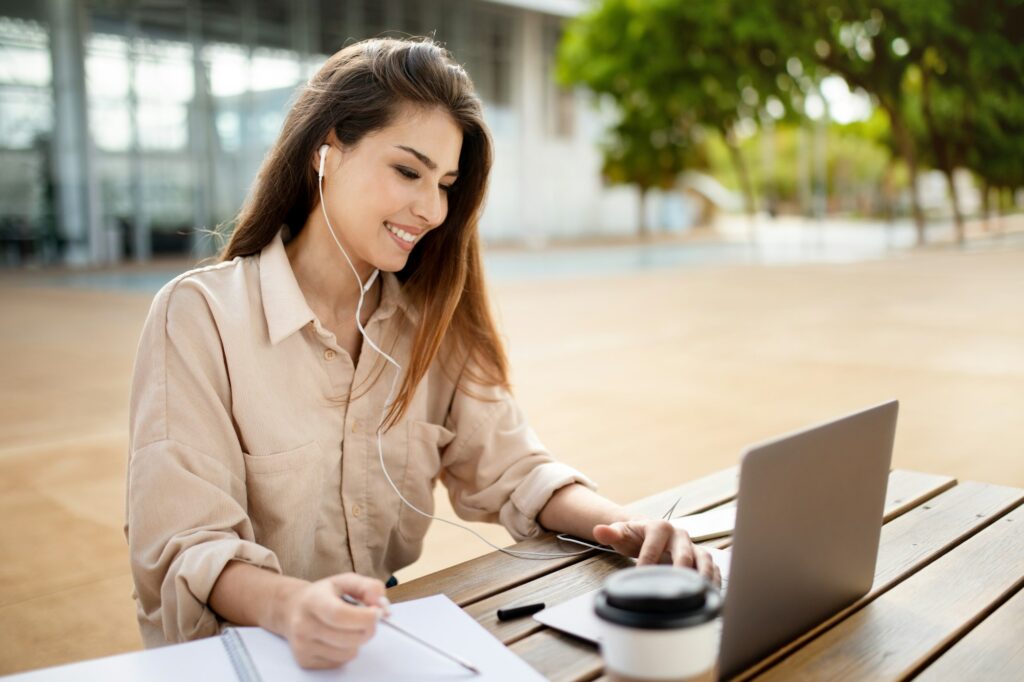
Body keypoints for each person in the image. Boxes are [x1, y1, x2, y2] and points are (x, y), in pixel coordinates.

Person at [126, 37, 719, 670]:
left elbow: (514, 468)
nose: (433, 209)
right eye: (408, 171)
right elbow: (188, 545)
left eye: (445, 184)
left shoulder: (432, 317)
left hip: (376, 650)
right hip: (240, 656)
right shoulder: (200, 316)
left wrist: (629, 527)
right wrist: (291, 607)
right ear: (326, 150)